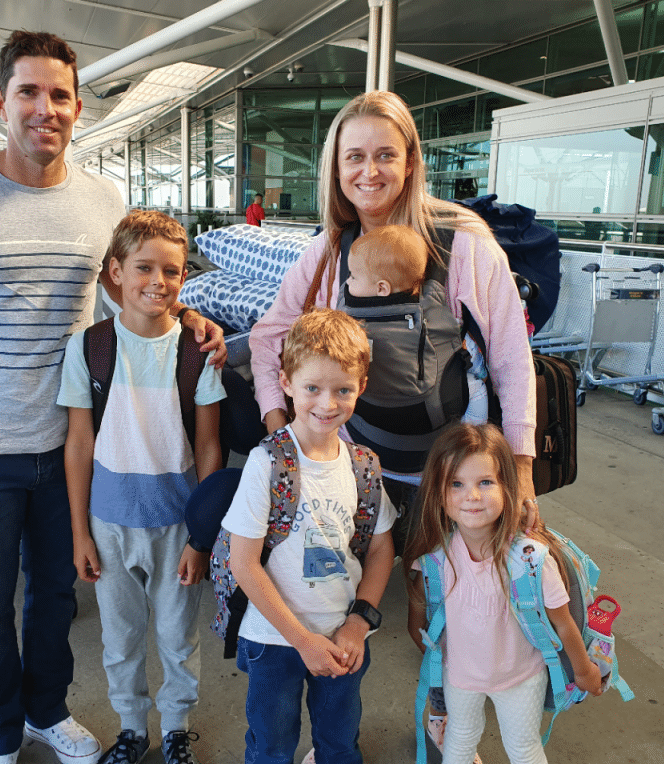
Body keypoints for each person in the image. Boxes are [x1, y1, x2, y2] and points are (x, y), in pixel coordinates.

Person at [0, 30, 225, 764]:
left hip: (73, 444)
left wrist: (189, 315)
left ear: (78, 109)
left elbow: (137, 288)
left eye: (60, 95)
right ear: (0, 101)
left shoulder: (102, 199)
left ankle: (46, 710)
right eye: (29, 92)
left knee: (59, 601)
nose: (46, 108)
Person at [248, 90, 539, 528]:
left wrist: (521, 469)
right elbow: (269, 336)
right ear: (336, 168)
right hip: (353, 460)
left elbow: (512, 359)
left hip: (454, 467)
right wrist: (280, 430)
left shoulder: (464, 244)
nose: (369, 172)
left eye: (385, 154)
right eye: (354, 157)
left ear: (409, 162)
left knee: (453, 587)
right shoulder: (327, 253)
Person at [58, 209, 224, 764]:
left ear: (184, 279)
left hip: (177, 523)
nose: (158, 281)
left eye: (172, 271)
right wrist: (80, 531)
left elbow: (208, 448)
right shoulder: (88, 349)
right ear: (115, 272)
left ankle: (176, 729)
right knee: (120, 639)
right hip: (108, 525)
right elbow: (79, 444)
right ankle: (132, 728)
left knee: (179, 638)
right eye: (144, 267)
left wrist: (203, 536)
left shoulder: (196, 352)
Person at [223, 309, 396, 764]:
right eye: (313, 389)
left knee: (339, 743)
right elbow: (243, 563)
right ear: (285, 382)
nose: (327, 403)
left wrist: (359, 624)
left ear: (361, 385)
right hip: (274, 639)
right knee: (271, 745)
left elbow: (380, 548)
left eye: (343, 389)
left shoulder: (363, 466)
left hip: (343, 639)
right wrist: (302, 640)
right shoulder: (268, 463)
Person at [403, 424, 603, 764]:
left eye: (485, 482)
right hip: (461, 677)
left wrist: (583, 669)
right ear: (438, 492)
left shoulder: (532, 561)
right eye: (456, 483)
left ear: (507, 487)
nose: (472, 496)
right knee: (459, 740)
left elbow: (563, 623)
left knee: (523, 747)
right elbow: (419, 623)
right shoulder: (434, 561)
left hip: (521, 678)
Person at [344, 225, 488, 425]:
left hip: (369, 405)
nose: (347, 283)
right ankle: (472, 428)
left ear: (382, 288)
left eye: (352, 277)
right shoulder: (430, 305)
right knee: (477, 385)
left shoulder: (348, 312)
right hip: (426, 404)